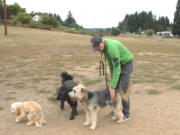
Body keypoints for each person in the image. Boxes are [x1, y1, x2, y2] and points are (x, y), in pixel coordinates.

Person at [91, 35, 133, 122]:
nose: (97, 49)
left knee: (122, 89)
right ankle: (116, 109)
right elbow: (110, 61)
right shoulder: (104, 48)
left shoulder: (111, 48)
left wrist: (112, 87)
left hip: (126, 63)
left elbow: (117, 68)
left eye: (98, 46)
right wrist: (111, 72)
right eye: (95, 48)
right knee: (115, 88)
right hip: (118, 64)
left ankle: (126, 113)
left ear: (102, 41)